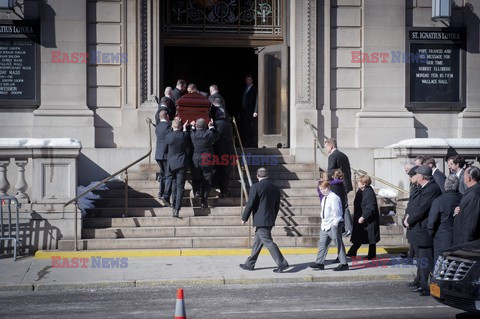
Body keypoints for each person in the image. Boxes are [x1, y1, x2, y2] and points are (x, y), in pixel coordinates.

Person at [239, 168, 289, 273]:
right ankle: (250, 263)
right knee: (258, 242)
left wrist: (244, 218)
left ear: (257, 176)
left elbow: (250, 204)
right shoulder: (275, 188)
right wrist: (273, 218)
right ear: (267, 175)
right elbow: (276, 205)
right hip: (269, 219)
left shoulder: (255, 187)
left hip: (260, 220)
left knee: (268, 242)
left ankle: (282, 263)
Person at [403, 165, 442, 296]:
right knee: (420, 259)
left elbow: (422, 208)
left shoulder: (432, 189)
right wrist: (406, 218)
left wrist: (409, 220)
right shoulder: (420, 187)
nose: (415, 176)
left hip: (423, 230)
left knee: (425, 260)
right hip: (416, 229)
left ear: (422, 176)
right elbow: (412, 206)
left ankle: (427, 286)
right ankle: (421, 282)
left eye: (417, 174)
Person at [310, 181, 349, 271]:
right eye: (321, 189)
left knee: (338, 244)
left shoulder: (334, 198)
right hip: (325, 225)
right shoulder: (325, 198)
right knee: (322, 244)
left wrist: (335, 224)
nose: (322, 191)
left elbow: (337, 212)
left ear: (329, 187)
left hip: (333, 224)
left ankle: (344, 263)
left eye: (324, 188)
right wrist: (323, 223)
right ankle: (319, 262)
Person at [427, 175, 461, 262]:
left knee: (440, 267)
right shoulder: (463, 198)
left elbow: (431, 222)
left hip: (441, 239)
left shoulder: (439, 201)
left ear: (445, 186)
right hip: (459, 239)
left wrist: (432, 234)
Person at [347, 175, 380, 260]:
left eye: (359, 181)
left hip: (367, 219)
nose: (357, 183)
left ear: (364, 183)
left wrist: (363, 217)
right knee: (359, 236)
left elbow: (371, 207)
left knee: (370, 238)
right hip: (360, 217)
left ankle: (371, 255)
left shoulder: (368, 192)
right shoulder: (361, 191)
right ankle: (352, 252)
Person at [325, 138, 353, 236]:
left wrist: (327, 181)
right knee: (343, 205)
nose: (326, 149)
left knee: (342, 206)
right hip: (345, 184)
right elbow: (348, 170)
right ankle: (345, 228)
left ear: (331, 146)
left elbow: (331, 171)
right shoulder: (344, 155)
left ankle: (348, 228)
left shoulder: (332, 156)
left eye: (326, 147)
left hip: (337, 185)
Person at [190, 118, 220, 209]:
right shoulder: (209, 134)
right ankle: (204, 202)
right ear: (205, 126)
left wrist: (192, 126)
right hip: (207, 160)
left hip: (195, 160)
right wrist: (211, 127)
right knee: (206, 181)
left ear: (196, 126)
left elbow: (191, 131)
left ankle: (196, 192)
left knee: (195, 178)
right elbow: (216, 135)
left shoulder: (193, 134)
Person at [163, 118, 190, 218]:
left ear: (172, 126)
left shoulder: (168, 136)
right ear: (180, 126)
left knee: (173, 184)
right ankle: (176, 209)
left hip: (171, 163)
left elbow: (165, 150)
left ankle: (167, 196)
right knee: (179, 187)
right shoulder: (184, 135)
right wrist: (184, 128)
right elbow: (186, 138)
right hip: (181, 163)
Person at [210, 98, 234, 198]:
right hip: (228, 151)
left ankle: (214, 188)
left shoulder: (216, 124)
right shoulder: (229, 124)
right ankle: (224, 192)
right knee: (225, 173)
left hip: (217, 151)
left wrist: (211, 127)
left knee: (215, 170)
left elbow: (213, 137)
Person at [453, 166, 480, 245]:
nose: (463, 178)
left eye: (464, 175)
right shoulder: (471, 191)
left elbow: (470, 222)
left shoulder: (474, 194)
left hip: (465, 242)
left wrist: (465, 244)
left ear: (469, 178)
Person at [154, 110, 172, 201]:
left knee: (163, 174)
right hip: (165, 154)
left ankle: (160, 193)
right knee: (168, 175)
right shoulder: (168, 126)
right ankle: (165, 194)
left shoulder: (157, 127)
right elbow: (170, 139)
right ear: (167, 116)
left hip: (158, 154)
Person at [240, 73, 258, 147]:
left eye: (249, 79)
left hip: (252, 112)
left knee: (253, 127)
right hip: (245, 112)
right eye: (247, 79)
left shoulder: (255, 88)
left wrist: (255, 111)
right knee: (247, 128)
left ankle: (254, 143)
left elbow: (257, 100)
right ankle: (248, 142)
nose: (248, 81)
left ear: (252, 80)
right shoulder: (245, 89)